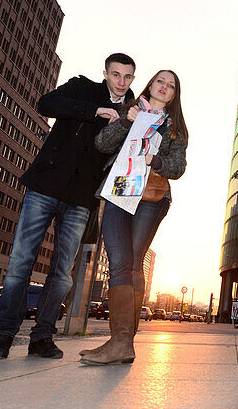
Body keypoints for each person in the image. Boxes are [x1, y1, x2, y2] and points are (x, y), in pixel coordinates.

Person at [0, 53, 136, 359]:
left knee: (63, 272)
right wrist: (95, 111)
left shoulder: (132, 110)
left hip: (81, 197)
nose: (121, 82)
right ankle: (3, 334)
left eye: (127, 77)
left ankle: (42, 336)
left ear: (133, 79)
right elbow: (46, 104)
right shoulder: (81, 87)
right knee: (20, 261)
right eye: (116, 74)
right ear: (105, 73)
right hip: (46, 184)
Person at [80, 70, 188, 365]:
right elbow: (102, 143)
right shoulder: (129, 110)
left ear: (175, 94)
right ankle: (120, 342)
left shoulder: (175, 126)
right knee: (119, 264)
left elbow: (178, 167)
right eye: (160, 82)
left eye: (171, 86)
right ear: (150, 85)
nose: (164, 88)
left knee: (133, 262)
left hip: (151, 198)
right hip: (119, 191)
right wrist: (127, 120)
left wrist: (157, 159)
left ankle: (123, 342)